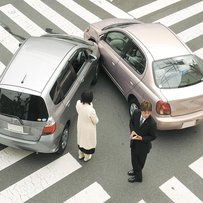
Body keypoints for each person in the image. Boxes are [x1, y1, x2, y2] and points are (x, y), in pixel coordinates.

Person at [128, 101, 156, 183]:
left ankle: (138, 178)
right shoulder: (136, 113)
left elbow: (153, 137)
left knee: (140, 163)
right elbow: (131, 122)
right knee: (133, 160)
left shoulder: (152, 123)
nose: (146, 115)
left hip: (143, 147)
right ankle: (135, 170)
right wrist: (132, 131)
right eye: (144, 112)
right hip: (134, 143)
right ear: (141, 110)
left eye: (148, 113)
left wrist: (142, 138)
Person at [76, 90, 99, 162]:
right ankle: (86, 157)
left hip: (80, 125)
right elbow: (96, 121)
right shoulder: (91, 110)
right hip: (88, 129)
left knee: (81, 140)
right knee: (87, 142)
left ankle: (80, 155)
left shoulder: (78, 104)